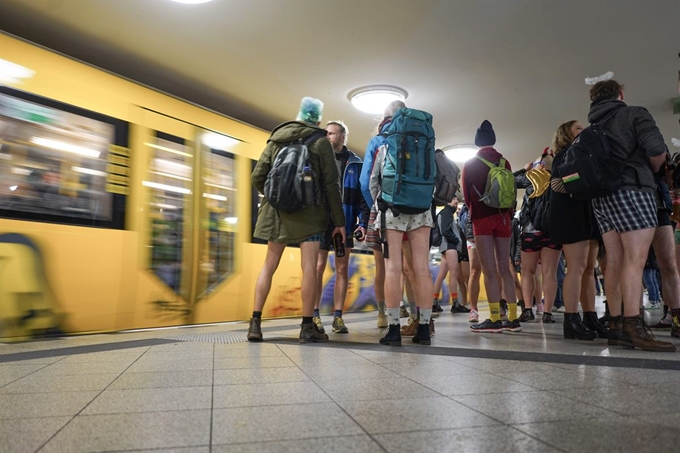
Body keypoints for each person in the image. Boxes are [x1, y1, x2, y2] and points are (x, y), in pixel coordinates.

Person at [247, 97, 345, 343]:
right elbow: (331, 185)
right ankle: (306, 327)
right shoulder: (321, 143)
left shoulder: (277, 139)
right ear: (318, 121)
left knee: (269, 264)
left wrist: (276, 197)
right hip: (310, 215)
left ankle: (255, 324)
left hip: (276, 212)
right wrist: (339, 221)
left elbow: (257, 176)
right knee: (309, 268)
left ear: (299, 116)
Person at [587, 80, 674, 351]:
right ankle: (635, 327)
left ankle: (616, 327)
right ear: (620, 95)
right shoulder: (634, 113)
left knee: (614, 260)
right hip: (633, 190)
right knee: (635, 260)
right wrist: (654, 170)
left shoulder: (592, 127)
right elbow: (657, 151)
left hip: (601, 198)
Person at [369, 101, 436, 346]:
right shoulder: (425, 144)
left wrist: (379, 208)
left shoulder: (386, 145)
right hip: (422, 211)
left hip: (392, 209)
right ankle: (425, 329)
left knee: (393, 269)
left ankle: (394, 329)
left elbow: (373, 183)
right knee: (421, 269)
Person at [462, 120, 520, 333]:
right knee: (505, 268)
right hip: (504, 218)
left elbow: (468, 197)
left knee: (489, 271)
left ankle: (495, 318)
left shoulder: (470, 163)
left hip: (482, 219)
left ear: (478, 142)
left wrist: (476, 210)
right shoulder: (505, 162)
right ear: (493, 140)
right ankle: (513, 318)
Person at [313, 120, 370, 334]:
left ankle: (338, 317)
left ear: (342, 137)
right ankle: (315, 315)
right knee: (317, 267)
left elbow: (363, 197)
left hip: (344, 224)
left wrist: (363, 223)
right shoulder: (318, 159)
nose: (327, 137)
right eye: (325, 133)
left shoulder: (356, 164)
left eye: (331, 133)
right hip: (321, 222)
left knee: (342, 268)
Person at [550, 120, 605, 340]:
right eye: (578, 128)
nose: (583, 130)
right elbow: (557, 183)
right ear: (566, 133)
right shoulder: (564, 155)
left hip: (588, 214)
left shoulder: (584, 154)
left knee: (589, 268)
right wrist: (582, 186)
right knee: (577, 267)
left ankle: (590, 317)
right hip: (571, 215)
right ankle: (571, 319)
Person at [360, 102, 407, 328]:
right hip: (415, 213)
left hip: (385, 211)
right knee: (412, 268)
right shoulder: (417, 139)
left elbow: (364, 182)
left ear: (384, 117)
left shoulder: (378, 141)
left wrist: (376, 207)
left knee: (385, 267)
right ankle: (419, 318)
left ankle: (384, 316)